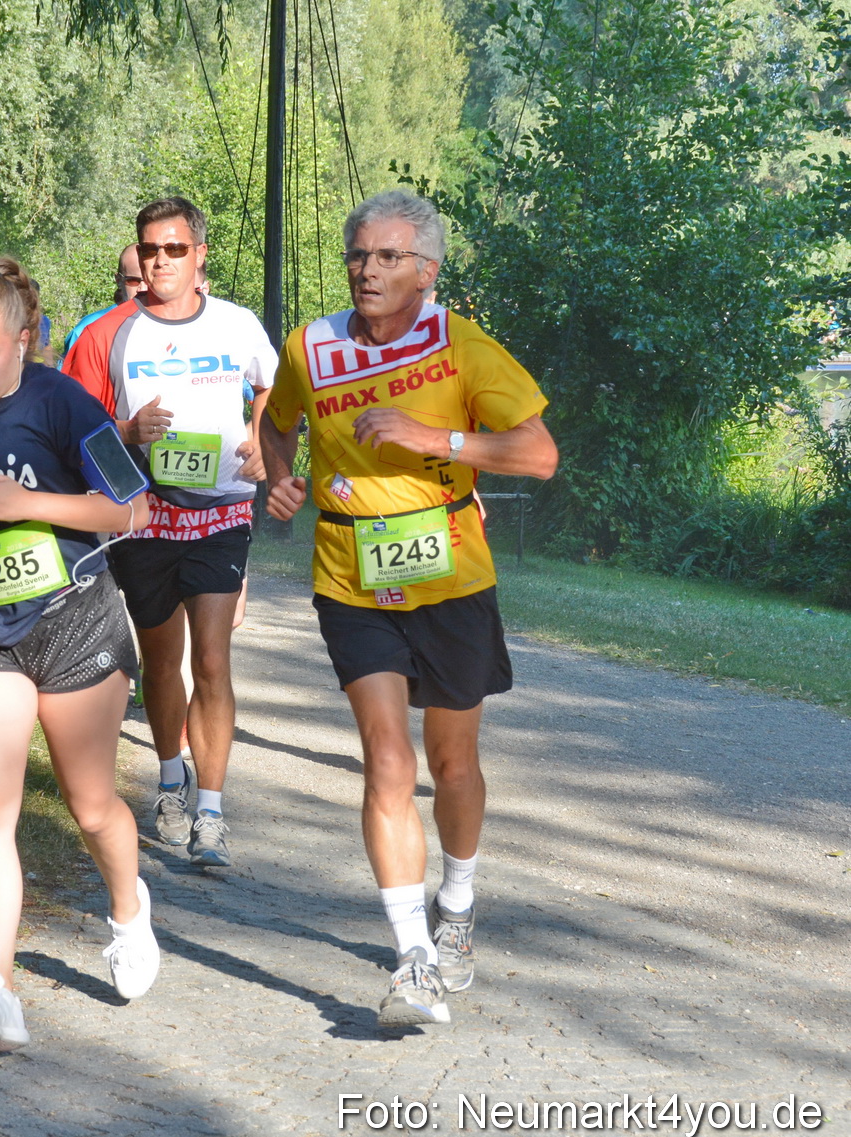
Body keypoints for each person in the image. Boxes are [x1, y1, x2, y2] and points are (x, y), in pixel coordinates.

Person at [260, 189, 558, 1027]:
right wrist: (279, 476)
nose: (367, 270)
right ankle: (413, 960)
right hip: (350, 573)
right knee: (387, 761)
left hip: (452, 577)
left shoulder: (462, 347)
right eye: (358, 254)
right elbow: (275, 420)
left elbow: (538, 455)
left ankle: (456, 905)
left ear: (426, 272)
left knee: (452, 762)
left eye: (388, 257)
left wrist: (441, 442)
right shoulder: (310, 345)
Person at [0, 258, 158, 1051]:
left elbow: (133, 509)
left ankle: (127, 906)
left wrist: (28, 505)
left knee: (91, 805)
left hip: (77, 619)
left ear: (23, 340)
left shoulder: (66, 402)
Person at [62, 196, 277, 869]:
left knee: (212, 658)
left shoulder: (238, 325)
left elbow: (276, 388)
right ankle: (170, 780)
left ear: (199, 254)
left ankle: (211, 808)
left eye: (175, 249)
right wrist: (126, 432)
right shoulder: (112, 333)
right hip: (147, 515)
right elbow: (77, 433)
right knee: (161, 660)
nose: (160, 262)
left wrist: (261, 438)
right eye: (150, 250)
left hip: (220, 511)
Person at [61, 245, 146, 357]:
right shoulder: (88, 329)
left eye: (151, 280)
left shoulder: (171, 324)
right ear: (118, 280)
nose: (143, 288)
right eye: (134, 281)